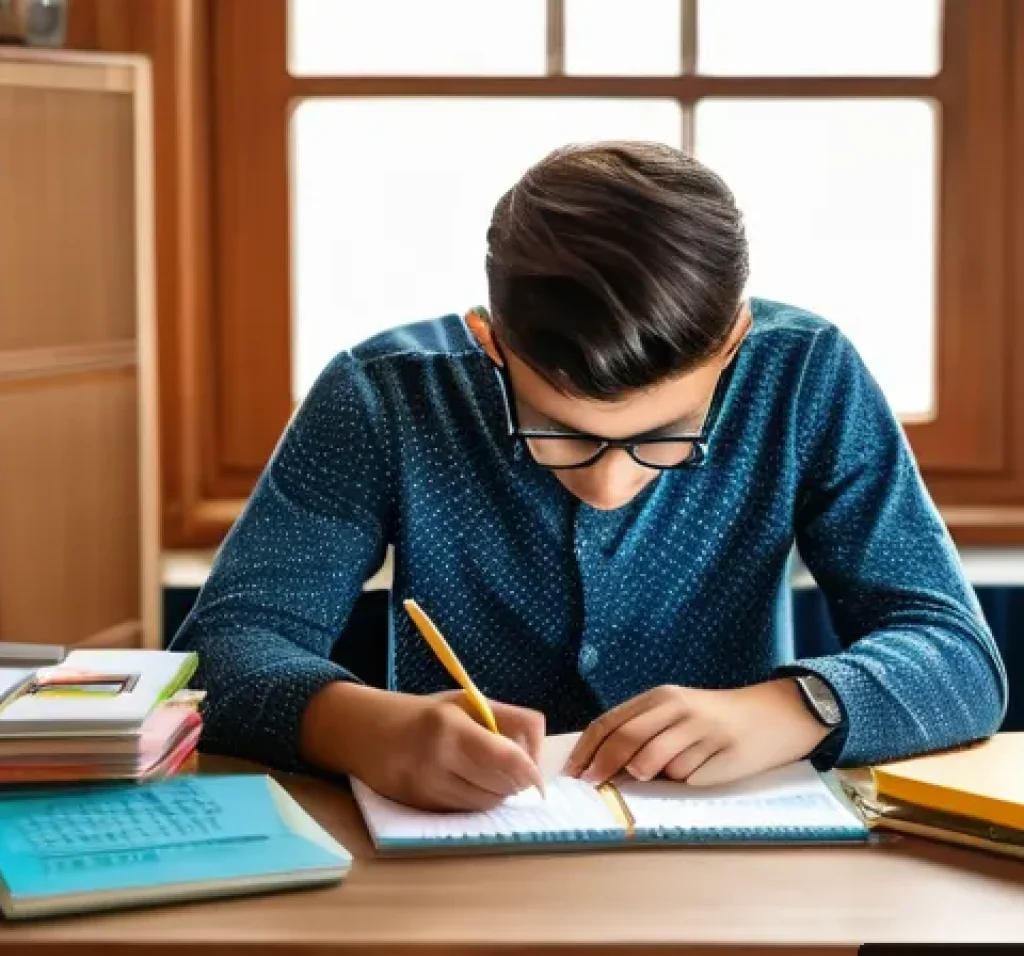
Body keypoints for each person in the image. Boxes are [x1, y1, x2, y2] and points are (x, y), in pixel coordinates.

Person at [171, 141, 1007, 811]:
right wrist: (356, 727)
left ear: (733, 344)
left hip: (746, 871)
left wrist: (796, 708)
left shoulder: (806, 375)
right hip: (452, 872)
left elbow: (961, 660)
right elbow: (218, 655)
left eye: (666, 436)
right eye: (560, 433)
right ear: (490, 342)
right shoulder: (382, 394)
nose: (608, 485)